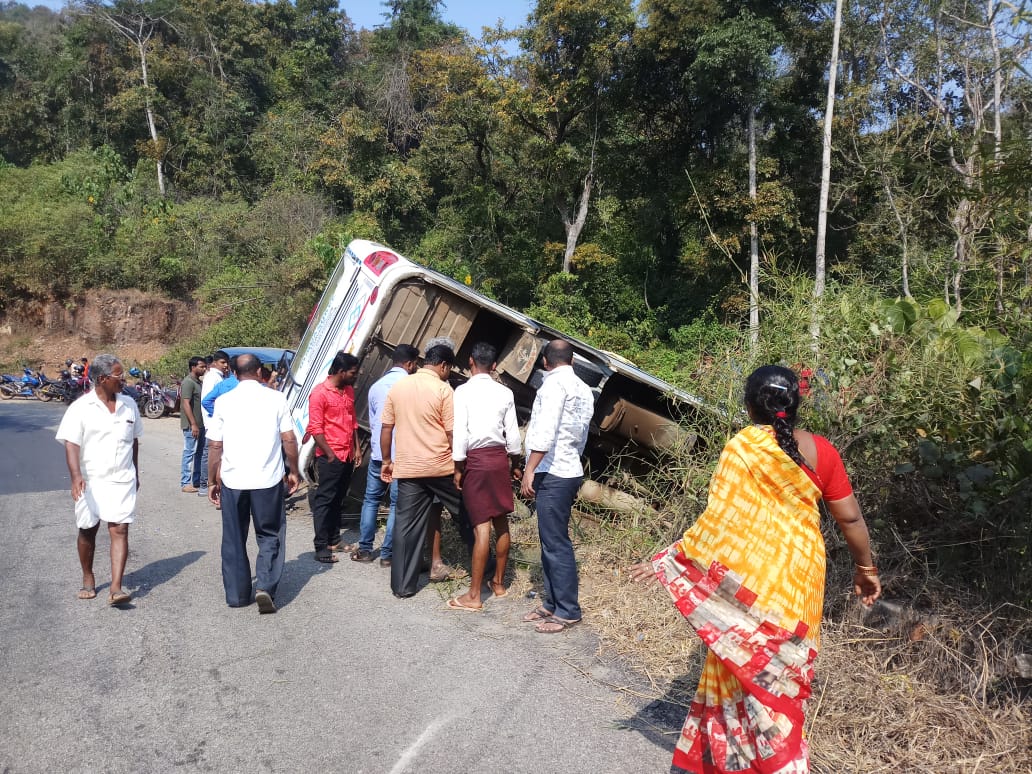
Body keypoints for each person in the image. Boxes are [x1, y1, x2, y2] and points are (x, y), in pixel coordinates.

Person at [627, 365, 881, 774]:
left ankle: (746, 762)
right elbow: (850, 519)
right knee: (781, 674)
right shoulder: (821, 451)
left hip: (748, 580)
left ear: (748, 406)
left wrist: (671, 558)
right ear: (795, 404)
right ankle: (775, 759)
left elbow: (717, 523)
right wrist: (865, 568)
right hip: (798, 579)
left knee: (737, 665)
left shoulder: (741, 447)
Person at [207, 353, 300, 614]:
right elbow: (289, 440)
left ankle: (237, 595)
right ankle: (265, 587)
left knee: (234, 537)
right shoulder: (276, 398)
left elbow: (215, 445)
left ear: (234, 375)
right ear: (260, 372)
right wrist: (293, 470)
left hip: (234, 480)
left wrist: (213, 479)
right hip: (267, 479)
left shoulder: (224, 401)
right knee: (270, 533)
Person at [380, 343, 474, 598]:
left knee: (405, 527)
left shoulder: (399, 386)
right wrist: (459, 466)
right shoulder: (443, 389)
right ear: (443, 365)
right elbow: (452, 432)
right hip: (440, 466)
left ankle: (401, 586)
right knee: (468, 513)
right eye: (449, 369)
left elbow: (386, 428)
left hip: (408, 468)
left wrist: (387, 460)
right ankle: (485, 570)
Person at [55, 354, 142, 606]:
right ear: (102, 379)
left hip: (122, 478)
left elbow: (134, 441)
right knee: (87, 530)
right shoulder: (81, 408)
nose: (123, 379)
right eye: (118, 375)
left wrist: (135, 472)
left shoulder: (129, 405)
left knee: (120, 529)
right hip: (90, 480)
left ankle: (116, 587)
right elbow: (71, 444)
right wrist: (76, 477)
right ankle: (88, 575)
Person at [520, 339, 594, 633]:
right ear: (572, 361)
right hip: (568, 468)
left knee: (556, 542)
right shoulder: (583, 389)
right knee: (550, 540)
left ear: (544, 362)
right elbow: (583, 433)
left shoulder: (552, 386)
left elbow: (546, 430)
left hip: (552, 471)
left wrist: (529, 469)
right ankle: (552, 603)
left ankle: (568, 610)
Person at [447, 342, 522, 611]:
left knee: (481, 529)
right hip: (499, 459)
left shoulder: (463, 391)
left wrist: (458, 468)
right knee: (501, 522)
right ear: (493, 366)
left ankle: (474, 596)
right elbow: (513, 437)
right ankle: (498, 584)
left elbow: (460, 433)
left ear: (470, 362)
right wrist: (514, 462)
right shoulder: (505, 393)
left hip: (476, 461)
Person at [353, 344, 420, 567]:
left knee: (371, 500)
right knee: (396, 505)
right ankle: (387, 555)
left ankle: (364, 549)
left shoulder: (376, 386)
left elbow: (375, 423)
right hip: (402, 455)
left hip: (378, 454)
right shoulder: (411, 387)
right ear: (410, 363)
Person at [306, 351, 361, 563]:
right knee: (325, 501)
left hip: (347, 454)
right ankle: (321, 547)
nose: (356, 376)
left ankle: (334, 539)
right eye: (353, 372)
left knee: (338, 498)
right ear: (341, 371)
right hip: (331, 456)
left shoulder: (348, 391)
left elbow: (352, 420)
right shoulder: (319, 393)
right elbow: (316, 428)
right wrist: (330, 455)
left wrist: (357, 448)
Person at [179, 356, 208, 493]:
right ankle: (185, 483)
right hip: (192, 425)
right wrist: (193, 424)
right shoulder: (188, 382)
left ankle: (196, 480)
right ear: (193, 367)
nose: (204, 369)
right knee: (189, 453)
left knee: (200, 453)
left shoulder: (198, 382)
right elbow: (186, 403)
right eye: (201, 366)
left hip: (201, 424)